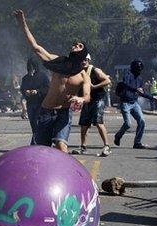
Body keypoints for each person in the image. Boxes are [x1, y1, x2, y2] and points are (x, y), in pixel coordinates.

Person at [14, 9, 91, 153]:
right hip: (46, 111)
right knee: (38, 151)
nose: (75, 45)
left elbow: (87, 96)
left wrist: (81, 99)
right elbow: (36, 48)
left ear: (84, 53)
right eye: (74, 44)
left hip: (64, 113)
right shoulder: (59, 63)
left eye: (80, 45)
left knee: (61, 147)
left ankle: (66, 175)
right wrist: (22, 24)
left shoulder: (83, 75)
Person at [114, 59, 157, 149]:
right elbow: (125, 84)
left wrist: (153, 97)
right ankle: (118, 136)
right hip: (125, 103)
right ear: (133, 68)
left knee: (142, 121)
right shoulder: (127, 75)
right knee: (128, 124)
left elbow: (141, 92)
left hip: (134, 103)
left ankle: (137, 143)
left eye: (140, 69)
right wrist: (135, 89)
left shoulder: (140, 79)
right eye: (137, 69)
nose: (139, 71)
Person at [73, 55, 112, 156]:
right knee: (84, 124)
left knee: (98, 121)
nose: (83, 62)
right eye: (81, 60)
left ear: (89, 60)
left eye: (85, 60)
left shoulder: (95, 70)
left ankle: (107, 146)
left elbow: (107, 81)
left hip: (98, 98)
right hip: (88, 100)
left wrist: (94, 86)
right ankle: (83, 147)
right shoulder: (79, 72)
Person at [20, 57, 49, 144]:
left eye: (33, 66)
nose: (31, 68)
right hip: (31, 103)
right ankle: (36, 140)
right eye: (29, 66)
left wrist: (37, 91)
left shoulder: (43, 76)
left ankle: (37, 141)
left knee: (38, 122)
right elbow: (22, 89)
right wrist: (26, 92)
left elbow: (47, 88)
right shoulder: (25, 78)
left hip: (41, 102)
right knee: (33, 122)